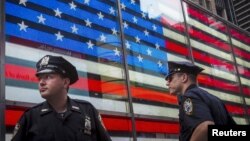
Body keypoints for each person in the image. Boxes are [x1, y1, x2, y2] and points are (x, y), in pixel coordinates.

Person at [11, 55, 112, 141]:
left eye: (48, 77)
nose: (41, 82)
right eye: (40, 78)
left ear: (65, 82)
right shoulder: (30, 117)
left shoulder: (87, 111)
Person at [165, 61, 236, 141]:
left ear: (184, 78)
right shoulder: (215, 99)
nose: (167, 83)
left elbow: (205, 127)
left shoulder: (189, 96)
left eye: (170, 78)